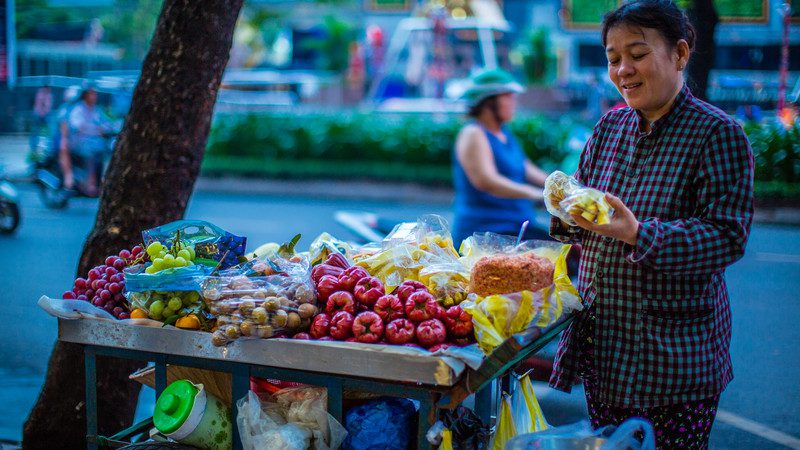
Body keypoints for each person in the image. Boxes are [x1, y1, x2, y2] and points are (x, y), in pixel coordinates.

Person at [548, 2, 754, 448]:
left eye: (637, 54)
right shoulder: (607, 128)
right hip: (606, 352)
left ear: (680, 54)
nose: (623, 69)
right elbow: (586, 221)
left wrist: (637, 233)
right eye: (613, 57)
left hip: (675, 361)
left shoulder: (717, 133)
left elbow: (727, 237)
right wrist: (566, 216)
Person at [452, 68, 549, 245]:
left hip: (516, 228)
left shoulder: (503, 132)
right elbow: (487, 181)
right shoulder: (473, 133)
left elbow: (526, 168)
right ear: (488, 101)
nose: (514, 102)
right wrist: (538, 195)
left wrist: (565, 185)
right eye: (508, 96)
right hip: (486, 234)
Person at [67, 85, 115, 196]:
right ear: (85, 95)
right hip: (80, 143)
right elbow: (78, 127)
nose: (94, 97)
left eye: (95, 94)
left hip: (96, 143)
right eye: (92, 94)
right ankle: (90, 183)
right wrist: (95, 130)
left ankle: (102, 181)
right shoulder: (78, 109)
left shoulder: (96, 110)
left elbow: (105, 124)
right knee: (91, 154)